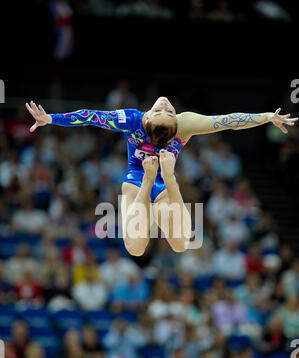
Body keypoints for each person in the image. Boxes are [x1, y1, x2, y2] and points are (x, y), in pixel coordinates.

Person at [26, 99, 297, 256]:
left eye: (166, 112)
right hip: (137, 179)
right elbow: (91, 117)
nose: (165, 107)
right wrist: (51, 118)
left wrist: (266, 117)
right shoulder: (132, 119)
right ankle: (153, 179)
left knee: (180, 245)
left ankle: (160, 177)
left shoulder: (185, 123)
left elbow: (225, 120)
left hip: (163, 180)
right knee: (136, 248)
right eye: (161, 111)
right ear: (146, 121)